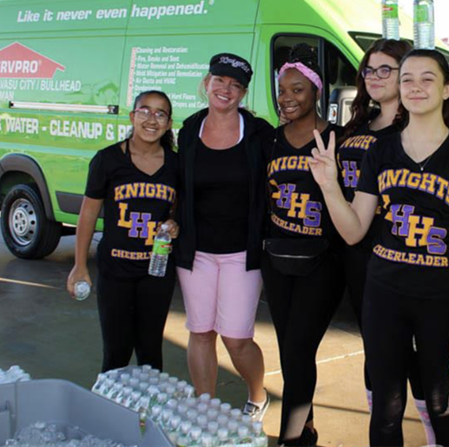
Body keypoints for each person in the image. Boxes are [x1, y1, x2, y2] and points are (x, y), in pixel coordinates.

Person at [309, 48, 449, 447]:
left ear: (447, 88)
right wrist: (330, 185)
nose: (415, 87)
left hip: (441, 297)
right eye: (407, 79)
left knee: (444, 405)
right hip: (384, 293)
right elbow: (354, 231)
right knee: (385, 407)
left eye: (427, 79)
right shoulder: (380, 151)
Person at [339, 38, 442, 444]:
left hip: (401, 255)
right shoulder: (357, 126)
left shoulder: (414, 130)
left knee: (421, 359)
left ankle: (435, 432)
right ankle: (383, 426)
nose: (375, 77)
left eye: (387, 69)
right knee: (377, 354)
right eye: (369, 69)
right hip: (354, 254)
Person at [175, 53, 271, 420]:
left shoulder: (259, 133)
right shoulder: (189, 129)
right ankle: (205, 407)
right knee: (200, 332)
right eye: (220, 81)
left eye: (235, 86)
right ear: (206, 82)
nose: (225, 90)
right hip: (195, 251)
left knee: (236, 337)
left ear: (243, 94)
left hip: (241, 253)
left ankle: (257, 395)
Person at [261, 44, 345, 447]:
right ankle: (306, 427)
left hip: (322, 263)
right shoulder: (270, 142)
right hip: (277, 261)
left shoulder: (338, 140)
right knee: (289, 349)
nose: (287, 98)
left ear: (315, 93)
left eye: (297, 90)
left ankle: (290, 439)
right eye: (282, 90)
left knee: (297, 348)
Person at [67, 90, 179, 373]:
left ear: (168, 123)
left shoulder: (177, 165)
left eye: (160, 113)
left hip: (156, 270)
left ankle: (146, 415)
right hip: (115, 269)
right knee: (116, 352)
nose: (151, 119)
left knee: (151, 351)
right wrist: (80, 265)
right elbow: (88, 214)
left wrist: (175, 223)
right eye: (144, 111)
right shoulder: (107, 160)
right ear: (132, 116)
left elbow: (178, 208)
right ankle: (111, 414)